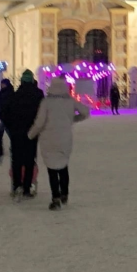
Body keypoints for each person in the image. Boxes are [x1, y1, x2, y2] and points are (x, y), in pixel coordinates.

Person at [29, 78, 89, 211]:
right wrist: (73, 119)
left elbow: (39, 122)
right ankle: (64, 194)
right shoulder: (70, 101)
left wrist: (31, 134)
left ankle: (55, 197)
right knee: (63, 167)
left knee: (52, 169)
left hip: (48, 138)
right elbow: (85, 112)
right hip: (65, 138)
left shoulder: (46, 102)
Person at [3, 70, 45, 199]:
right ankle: (27, 187)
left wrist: (11, 128)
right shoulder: (38, 95)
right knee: (29, 160)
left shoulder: (15, 95)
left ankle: (17, 186)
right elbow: (42, 114)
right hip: (32, 132)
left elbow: (6, 114)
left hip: (16, 133)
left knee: (16, 160)